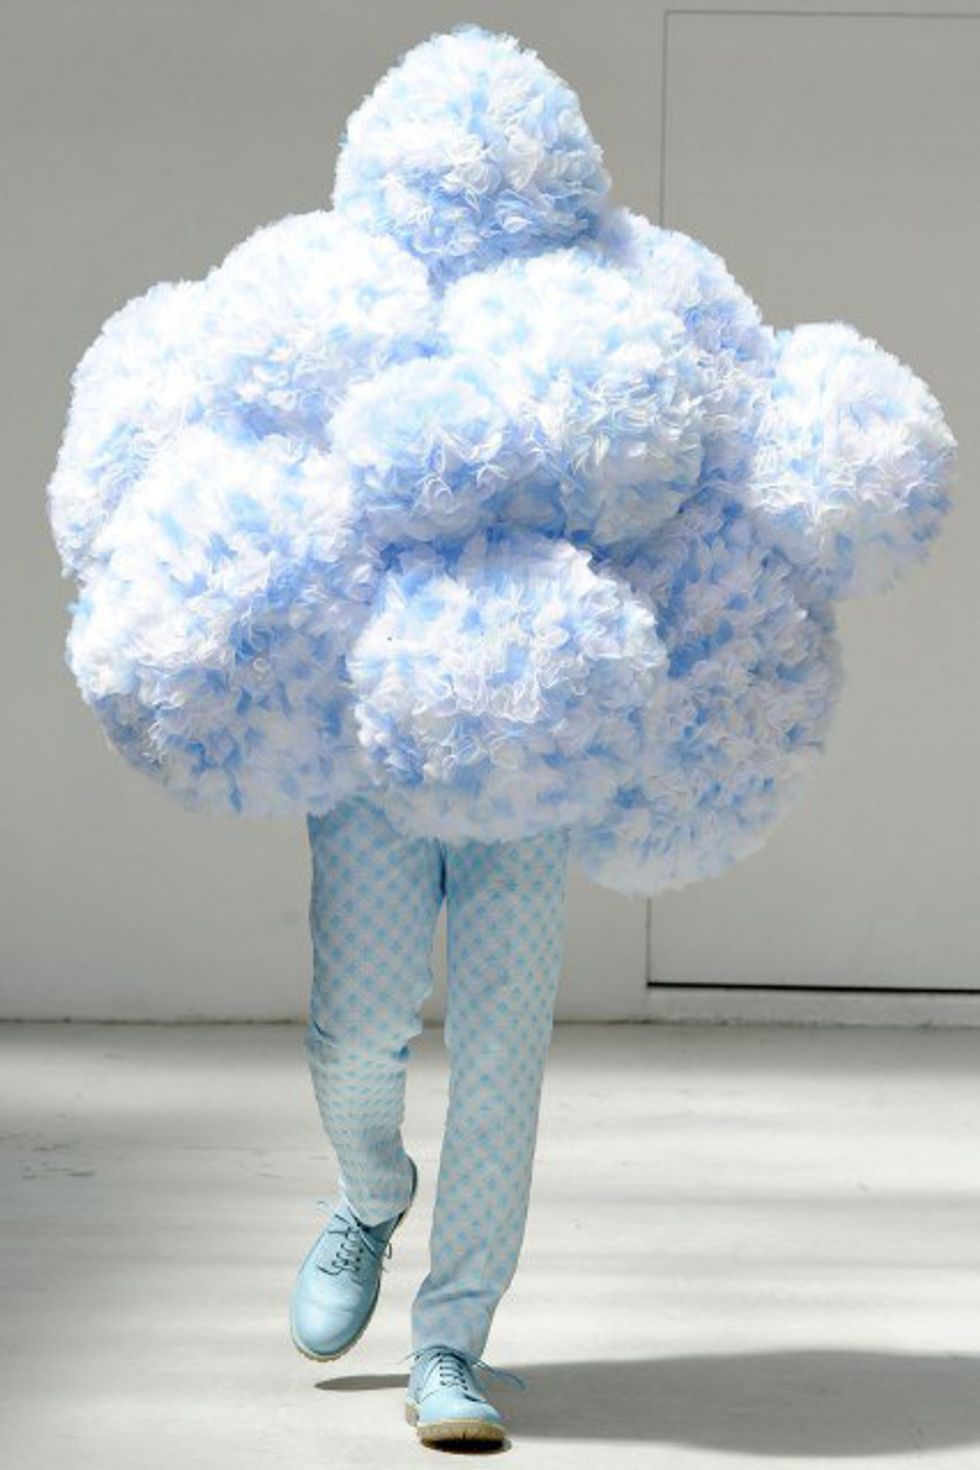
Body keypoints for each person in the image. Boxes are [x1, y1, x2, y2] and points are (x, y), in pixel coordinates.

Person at [289, 793, 570, 1446]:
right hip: (367, 753)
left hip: (525, 760)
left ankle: (450, 1343)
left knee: (504, 1046)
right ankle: (373, 1194)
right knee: (354, 1028)